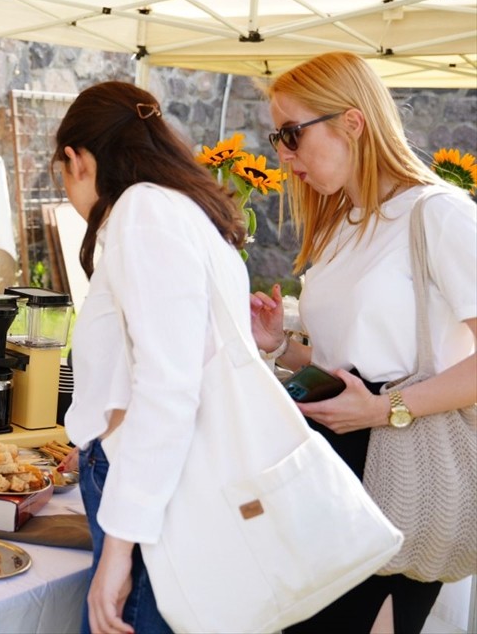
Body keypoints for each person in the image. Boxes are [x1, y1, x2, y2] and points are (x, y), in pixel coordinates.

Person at [250, 51, 476, 634]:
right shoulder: (341, 225)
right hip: (331, 465)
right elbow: (343, 361)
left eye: (292, 134)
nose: (283, 153)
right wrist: (283, 347)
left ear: (352, 122)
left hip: (398, 464)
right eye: (277, 136)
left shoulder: (438, 214)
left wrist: (385, 408)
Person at [56, 81, 249, 634]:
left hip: (149, 497)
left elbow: (168, 384)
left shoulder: (143, 211)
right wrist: (92, 434)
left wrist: (119, 549)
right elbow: (143, 363)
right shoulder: (179, 209)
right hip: (156, 475)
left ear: (77, 159)